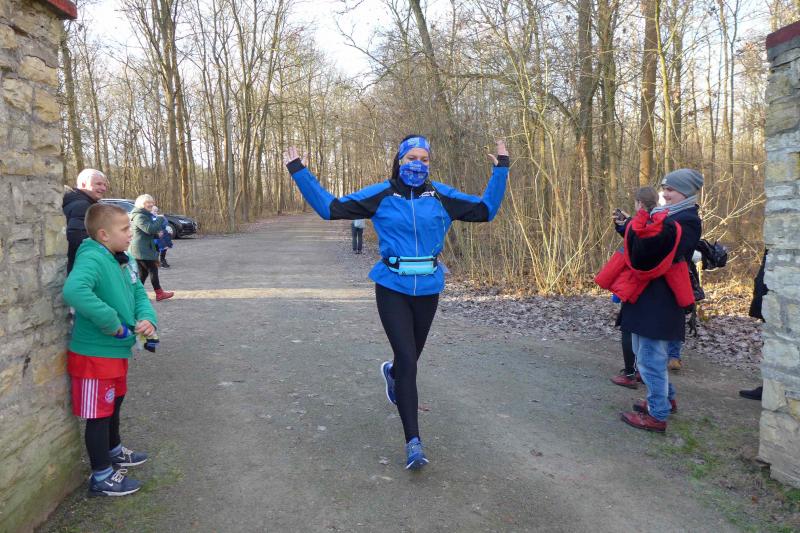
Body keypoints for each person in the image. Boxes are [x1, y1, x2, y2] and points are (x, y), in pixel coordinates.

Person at [284, 135, 509, 469]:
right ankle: (413, 443)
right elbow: (330, 208)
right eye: (411, 158)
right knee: (409, 361)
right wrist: (298, 170)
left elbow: (485, 211)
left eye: (424, 159)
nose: (418, 164)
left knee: (408, 361)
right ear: (399, 160)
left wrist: (501, 169)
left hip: (428, 289)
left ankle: (392, 373)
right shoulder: (382, 194)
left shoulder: (442, 196)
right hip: (392, 287)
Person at [62, 203, 157, 496]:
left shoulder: (124, 258)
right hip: (94, 355)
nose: (131, 234)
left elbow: (138, 292)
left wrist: (147, 318)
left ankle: (114, 450)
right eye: (125, 229)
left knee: (115, 402)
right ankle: (101, 476)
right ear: (104, 234)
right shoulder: (92, 257)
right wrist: (112, 322)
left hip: (117, 352)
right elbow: (74, 290)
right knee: (99, 414)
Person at [610, 169, 703, 432]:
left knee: (650, 358)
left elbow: (651, 252)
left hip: (661, 300)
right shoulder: (668, 215)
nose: (664, 193)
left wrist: (640, 225)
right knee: (645, 355)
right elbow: (645, 243)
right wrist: (632, 225)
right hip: (647, 296)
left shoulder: (687, 220)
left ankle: (657, 414)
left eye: (670, 189)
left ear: (686, 192)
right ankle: (665, 398)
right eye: (664, 188)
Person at [609, 187, 659, 390]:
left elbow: (637, 243)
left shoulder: (648, 224)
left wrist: (628, 224)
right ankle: (640, 371)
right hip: (650, 286)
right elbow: (635, 236)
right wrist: (625, 225)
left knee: (629, 328)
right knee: (641, 330)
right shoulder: (659, 221)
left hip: (638, 283)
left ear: (640, 203)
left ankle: (631, 373)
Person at [63, 168, 109, 273]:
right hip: (82, 267)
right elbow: (80, 241)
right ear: (83, 184)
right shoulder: (83, 206)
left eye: (104, 185)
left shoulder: (80, 202)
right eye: (98, 184)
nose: (103, 188)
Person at [129, 195, 174, 301]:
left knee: (143, 273)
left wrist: (156, 235)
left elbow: (145, 232)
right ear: (141, 204)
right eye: (148, 202)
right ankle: (159, 293)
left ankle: (134, 294)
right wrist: (160, 218)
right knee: (153, 269)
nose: (151, 204)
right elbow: (149, 229)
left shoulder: (144, 215)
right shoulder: (139, 216)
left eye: (152, 202)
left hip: (143, 248)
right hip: (141, 249)